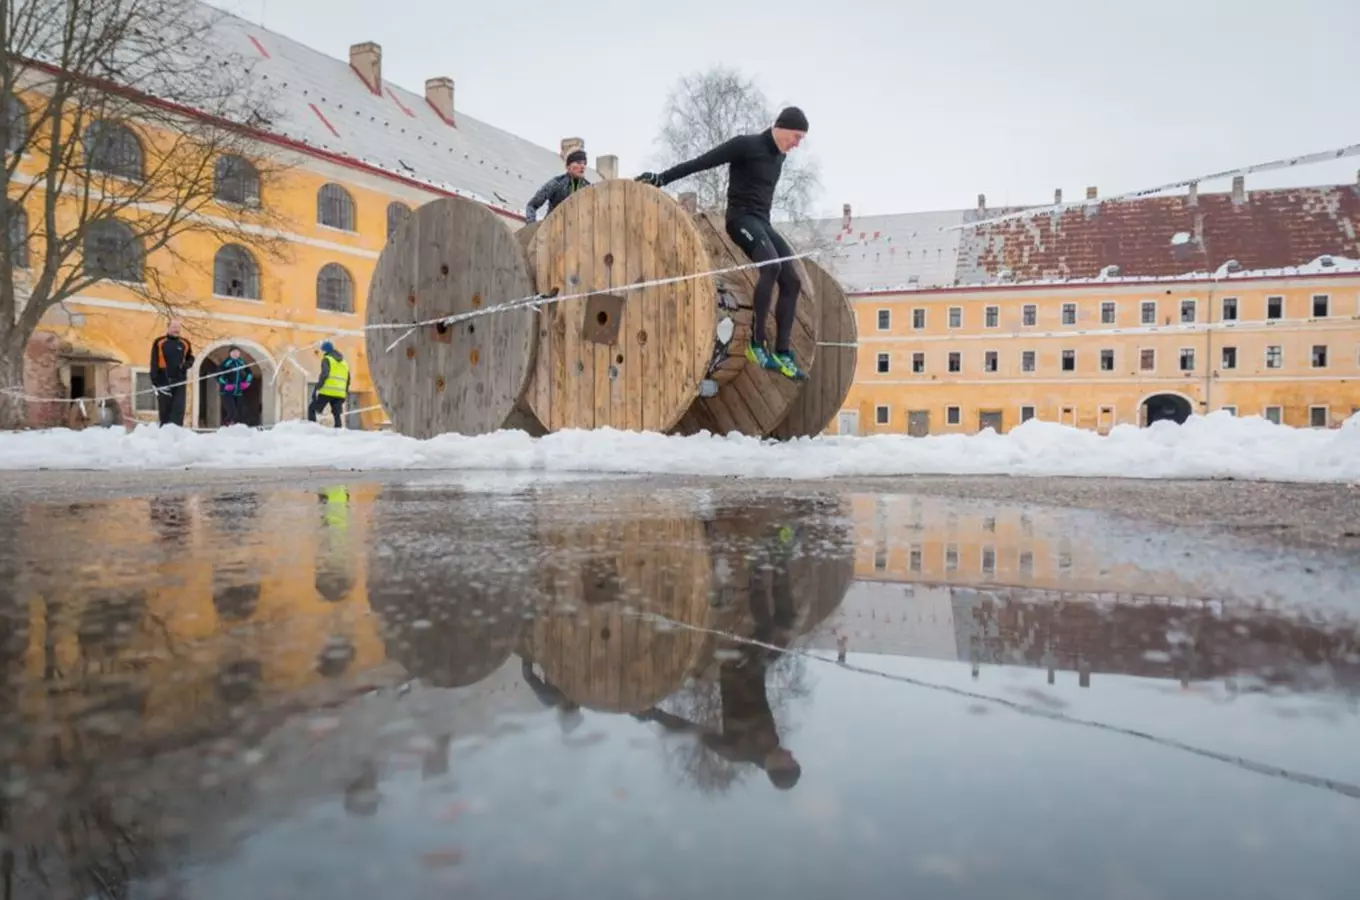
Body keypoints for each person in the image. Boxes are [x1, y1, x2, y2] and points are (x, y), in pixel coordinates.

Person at [635, 107, 810, 380]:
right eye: (796, 136)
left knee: (792, 280)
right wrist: (662, 178)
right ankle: (757, 344)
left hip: (763, 222)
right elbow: (701, 162)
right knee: (771, 268)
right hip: (740, 220)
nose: (798, 143)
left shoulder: (779, 159)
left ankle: (783, 353)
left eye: (801, 139)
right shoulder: (746, 145)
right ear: (782, 126)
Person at [148, 319, 195, 427]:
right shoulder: (159, 342)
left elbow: (190, 358)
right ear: (168, 328)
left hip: (180, 380)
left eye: (178, 327)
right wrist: (154, 379)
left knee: (178, 408)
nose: (176, 330)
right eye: (174, 327)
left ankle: (176, 431)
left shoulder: (185, 343)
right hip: (163, 379)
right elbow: (154, 361)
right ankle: (164, 431)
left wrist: (186, 365)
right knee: (165, 408)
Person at [525, 148, 591, 224]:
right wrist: (531, 227)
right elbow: (531, 206)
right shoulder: (557, 183)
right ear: (568, 166)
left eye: (584, 163)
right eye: (578, 162)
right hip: (552, 230)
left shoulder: (588, 188)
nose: (582, 166)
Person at [308, 341, 350, 428]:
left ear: (325, 351)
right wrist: (345, 392)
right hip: (339, 393)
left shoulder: (327, 359)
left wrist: (318, 386)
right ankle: (338, 431)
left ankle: (312, 428)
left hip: (327, 391)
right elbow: (348, 379)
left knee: (312, 408)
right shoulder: (344, 363)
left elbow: (325, 374)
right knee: (336, 413)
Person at [215, 345, 253, 427]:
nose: (236, 354)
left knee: (239, 412)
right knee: (232, 412)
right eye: (233, 352)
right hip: (227, 392)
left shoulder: (241, 362)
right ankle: (225, 426)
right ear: (230, 353)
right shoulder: (226, 363)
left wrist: (246, 382)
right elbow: (218, 376)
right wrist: (226, 384)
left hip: (238, 391)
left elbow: (249, 373)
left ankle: (234, 428)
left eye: (237, 352)